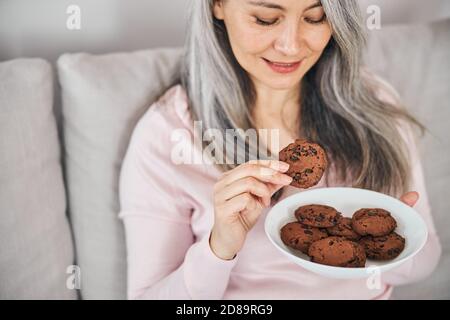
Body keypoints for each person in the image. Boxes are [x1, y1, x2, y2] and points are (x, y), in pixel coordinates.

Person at [118, 0, 441, 299]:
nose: (290, 45)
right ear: (217, 5)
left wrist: (396, 238)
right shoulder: (168, 133)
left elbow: (425, 263)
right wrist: (218, 249)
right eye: (266, 19)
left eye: (315, 18)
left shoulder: (373, 109)